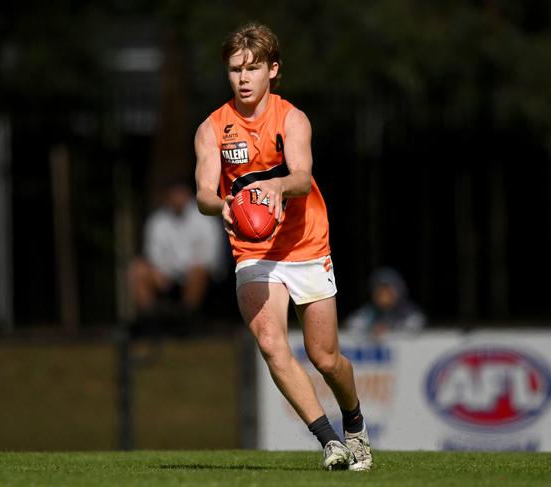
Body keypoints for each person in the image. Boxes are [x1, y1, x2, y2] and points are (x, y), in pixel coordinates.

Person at [194, 22, 372, 471]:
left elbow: (301, 174)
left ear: (273, 70)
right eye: (235, 69)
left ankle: (354, 423)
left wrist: (277, 185)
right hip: (253, 250)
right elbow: (202, 192)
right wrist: (223, 206)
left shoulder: (292, 118)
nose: (243, 78)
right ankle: (331, 443)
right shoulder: (212, 129)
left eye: (253, 68)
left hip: (306, 243)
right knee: (272, 344)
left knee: (325, 358)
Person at [129, 180, 225, 326]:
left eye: (180, 194)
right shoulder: (157, 221)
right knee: (138, 269)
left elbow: (210, 257)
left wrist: (188, 271)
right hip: (167, 275)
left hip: (197, 275)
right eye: (173, 195)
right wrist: (160, 272)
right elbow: (153, 255)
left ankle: (188, 318)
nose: (177, 198)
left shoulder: (205, 218)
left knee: (198, 271)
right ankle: (149, 319)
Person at [345, 266, 427, 337]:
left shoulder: (407, 311)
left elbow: (416, 323)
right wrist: (371, 330)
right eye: (380, 292)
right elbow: (353, 325)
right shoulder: (369, 312)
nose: (384, 296)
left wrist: (389, 331)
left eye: (388, 292)